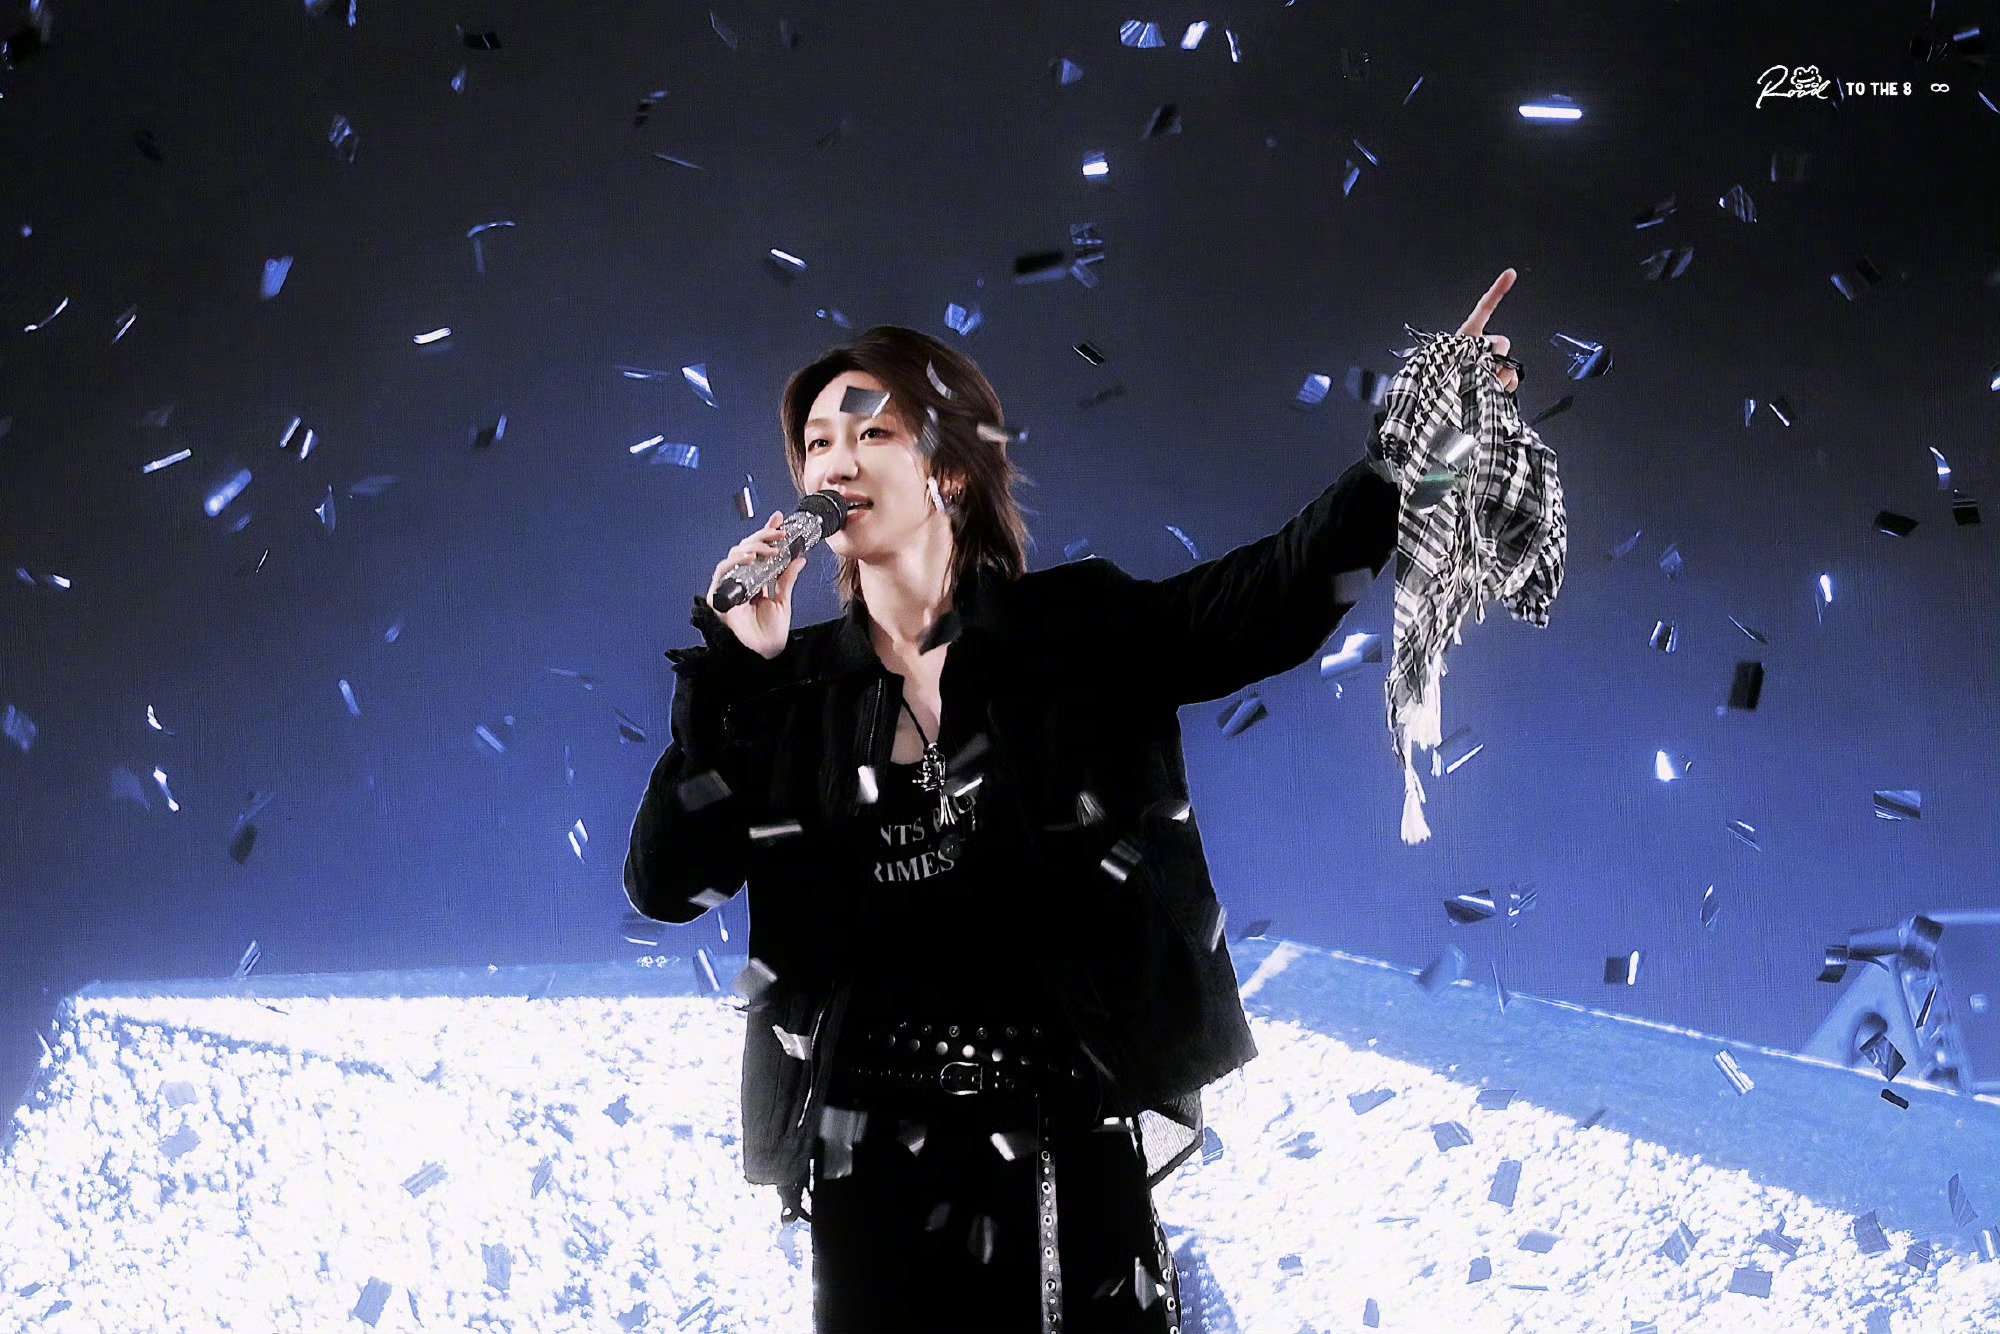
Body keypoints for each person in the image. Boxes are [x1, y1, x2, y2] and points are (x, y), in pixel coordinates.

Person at [625, 275, 1522, 1333]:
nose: (835, 461)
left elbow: (1269, 598)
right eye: (817, 443)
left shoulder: (1075, 630)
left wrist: (1404, 460)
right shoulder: (786, 688)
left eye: (870, 431)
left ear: (946, 466)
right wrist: (736, 675)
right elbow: (668, 885)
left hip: (1065, 1130)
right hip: (866, 1162)